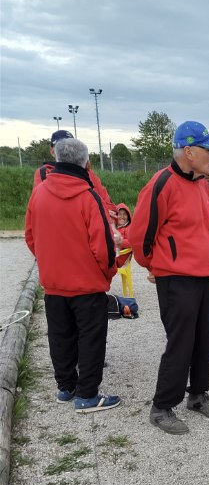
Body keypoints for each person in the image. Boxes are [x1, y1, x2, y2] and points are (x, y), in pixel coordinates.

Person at [128, 120, 209, 435]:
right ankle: (161, 407)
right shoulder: (162, 183)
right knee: (181, 343)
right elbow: (139, 234)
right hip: (176, 277)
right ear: (188, 151)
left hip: (204, 274)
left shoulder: (202, 183)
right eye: (208, 149)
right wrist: (154, 267)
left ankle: (197, 395)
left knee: (205, 339)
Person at [24, 138, 120, 412]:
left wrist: (48, 261)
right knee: (91, 338)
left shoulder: (39, 193)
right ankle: (88, 395)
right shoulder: (88, 197)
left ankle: (66, 387)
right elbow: (102, 245)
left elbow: (30, 236)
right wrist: (108, 272)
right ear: (86, 164)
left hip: (54, 283)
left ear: (56, 159)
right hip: (87, 284)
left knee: (59, 336)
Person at [33, 130, 116, 217]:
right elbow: (44, 202)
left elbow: (108, 203)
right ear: (52, 151)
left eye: (70, 145)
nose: (66, 149)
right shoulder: (45, 172)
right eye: (60, 145)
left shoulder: (88, 173)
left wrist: (107, 212)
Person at [113, 203, 132, 268]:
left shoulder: (129, 228)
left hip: (118, 259)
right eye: (119, 214)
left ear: (128, 216)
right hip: (113, 255)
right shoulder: (115, 227)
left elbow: (132, 242)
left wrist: (120, 241)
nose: (122, 216)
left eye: (124, 214)